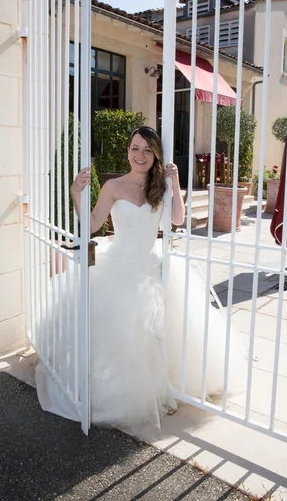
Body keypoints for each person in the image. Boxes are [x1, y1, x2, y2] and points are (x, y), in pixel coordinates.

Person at [35, 126, 246, 432]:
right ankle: (129, 392)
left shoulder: (158, 186)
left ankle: (161, 389)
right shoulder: (114, 186)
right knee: (123, 335)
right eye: (135, 148)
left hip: (150, 265)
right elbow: (92, 225)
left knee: (159, 333)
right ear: (128, 152)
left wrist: (174, 184)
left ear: (155, 155)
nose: (140, 155)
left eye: (147, 150)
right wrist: (75, 194)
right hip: (118, 268)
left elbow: (177, 219)